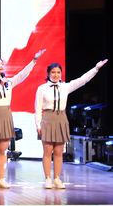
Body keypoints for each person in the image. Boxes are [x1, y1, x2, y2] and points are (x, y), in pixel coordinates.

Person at [35, 59, 108, 189]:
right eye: (53, 72)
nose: (56, 75)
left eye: (58, 72)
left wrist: (96, 68)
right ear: (48, 73)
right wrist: (38, 125)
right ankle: (47, 179)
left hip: (61, 118)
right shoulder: (42, 89)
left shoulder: (65, 86)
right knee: (47, 150)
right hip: (47, 118)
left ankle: (57, 179)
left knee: (59, 151)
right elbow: (37, 108)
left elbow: (82, 80)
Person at [0, 49, 46, 189]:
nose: (1, 66)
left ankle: (1, 179)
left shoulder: (9, 82)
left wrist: (34, 60)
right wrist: (0, 85)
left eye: (1, 64)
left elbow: (23, 74)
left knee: (3, 151)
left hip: (6, 115)